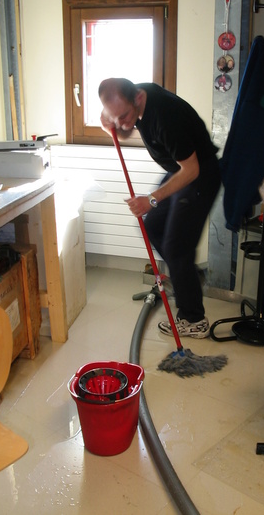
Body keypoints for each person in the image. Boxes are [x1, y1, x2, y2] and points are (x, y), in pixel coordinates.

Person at [98, 78, 221, 338]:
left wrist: (151, 199)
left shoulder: (164, 116)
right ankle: (186, 275)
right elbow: (115, 119)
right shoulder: (131, 100)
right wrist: (109, 122)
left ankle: (194, 319)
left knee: (177, 247)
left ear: (139, 99)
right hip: (181, 170)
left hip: (199, 174)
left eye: (125, 116)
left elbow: (192, 169)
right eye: (115, 117)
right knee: (152, 224)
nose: (122, 124)